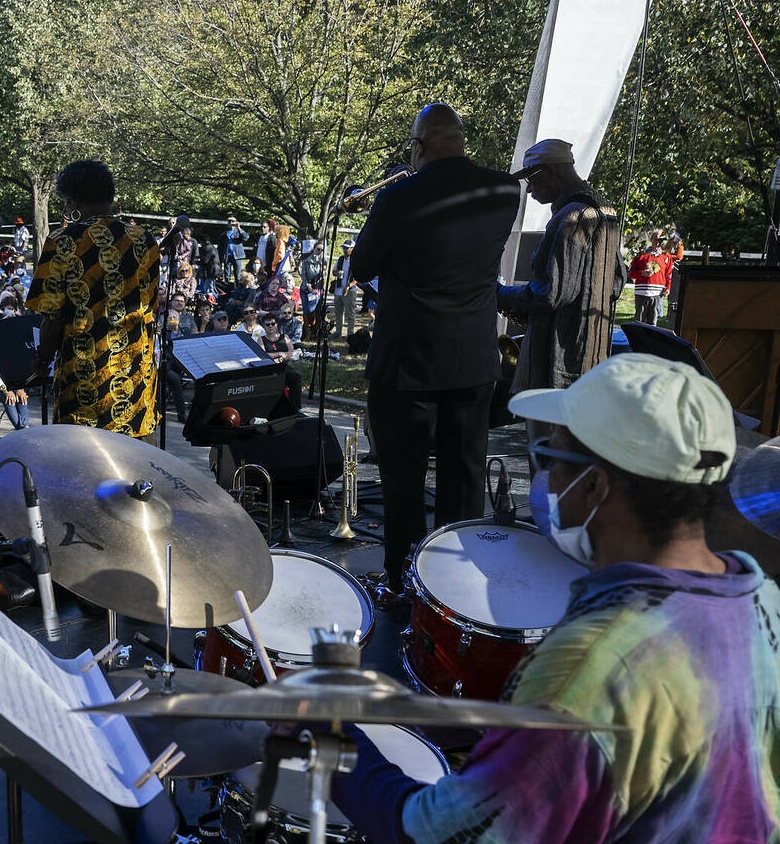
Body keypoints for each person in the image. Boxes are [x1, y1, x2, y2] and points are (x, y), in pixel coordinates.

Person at [332, 354, 779, 843]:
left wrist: (329, 735)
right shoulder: (766, 605)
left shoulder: (590, 669)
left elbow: (442, 835)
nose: (546, 477)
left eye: (553, 457)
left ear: (594, 486)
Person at [351, 104, 521, 589]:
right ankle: (454, 587)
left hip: (408, 360)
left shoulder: (399, 196)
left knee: (403, 481)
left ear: (419, 145)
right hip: (472, 359)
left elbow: (362, 266)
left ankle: (406, 581)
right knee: (464, 479)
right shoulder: (504, 191)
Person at [29, 159, 160, 440]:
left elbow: (51, 319)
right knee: (135, 472)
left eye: (65, 201)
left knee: (83, 470)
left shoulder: (62, 241)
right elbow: (150, 306)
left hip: (85, 383)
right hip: (135, 379)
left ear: (74, 200)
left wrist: (42, 361)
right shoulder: (144, 240)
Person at [497, 138, 627, 406]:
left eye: (531, 179)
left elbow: (551, 294)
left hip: (557, 361)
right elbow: (617, 281)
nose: (529, 189)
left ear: (551, 172)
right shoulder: (606, 210)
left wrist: (500, 294)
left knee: (547, 440)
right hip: (593, 357)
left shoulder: (572, 217)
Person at [627, 235, 671, 326]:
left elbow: (669, 274)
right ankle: (638, 340)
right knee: (639, 322)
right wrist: (641, 273)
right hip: (642, 293)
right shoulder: (641, 254)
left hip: (657, 294)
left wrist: (668, 288)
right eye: (656, 239)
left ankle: (650, 340)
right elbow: (630, 272)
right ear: (651, 239)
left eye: (661, 240)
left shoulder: (666, 256)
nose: (658, 242)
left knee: (653, 324)